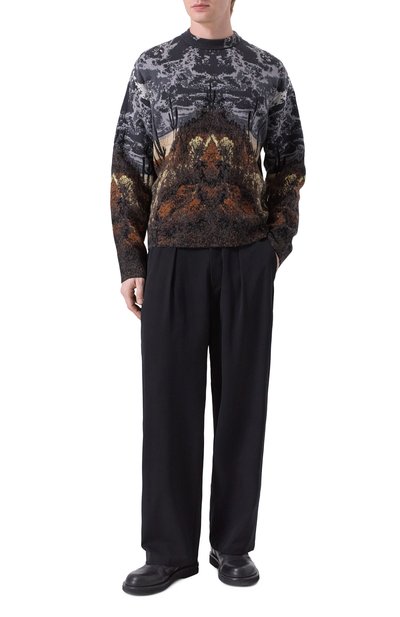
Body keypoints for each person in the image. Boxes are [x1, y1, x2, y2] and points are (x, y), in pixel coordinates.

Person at [110, 0, 306, 596]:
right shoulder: (153, 67)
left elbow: (289, 164)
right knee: (168, 404)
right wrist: (132, 260)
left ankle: (233, 544)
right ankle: (168, 553)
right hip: (171, 255)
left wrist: (274, 247)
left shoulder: (266, 70)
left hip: (247, 256)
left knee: (243, 404)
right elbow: (127, 167)